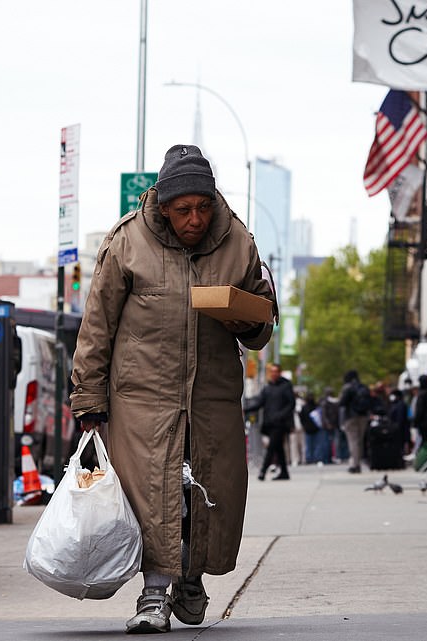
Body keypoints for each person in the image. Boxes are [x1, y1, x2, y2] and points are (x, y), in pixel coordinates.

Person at [69, 143, 276, 634]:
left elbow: (264, 324)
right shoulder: (126, 242)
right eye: (183, 209)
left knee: (209, 493)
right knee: (154, 495)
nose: (195, 218)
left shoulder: (239, 244)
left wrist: (246, 320)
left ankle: (191, 576)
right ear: (162, 206)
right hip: (142, 398)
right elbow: (97, 325)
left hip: (211, 397)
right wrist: (88, 397)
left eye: (203, 207)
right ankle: (154, 595)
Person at [244, 363, 295, 481]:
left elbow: (291, 404)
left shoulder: (286, 386)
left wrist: (281, 415)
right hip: (270, 423)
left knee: (272, 447)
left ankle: (263, 471)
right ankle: (284, 473)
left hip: (280, 423)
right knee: (278, 448)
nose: (273, 374)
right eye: (272, 371)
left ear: (279, 372)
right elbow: (259, 402)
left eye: (276, 371)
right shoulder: (267, 388)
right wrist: (245, 410)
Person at [338, 370, 369, 474]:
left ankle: (355, 464)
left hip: (350, 417)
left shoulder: (347, 388)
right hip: (363, 417)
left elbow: (342, 403)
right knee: (359, 441)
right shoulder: (363, 387)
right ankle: (358, 462)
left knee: (353, 441)